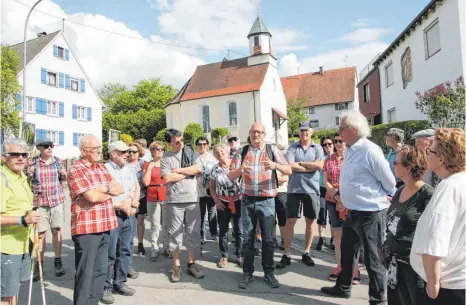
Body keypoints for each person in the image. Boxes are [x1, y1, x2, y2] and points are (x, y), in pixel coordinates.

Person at [321, 111, 396, 304]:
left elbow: (389, 182)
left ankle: (378, 300)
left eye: (341, 128)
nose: (338, 133)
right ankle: (343, 288)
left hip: (371, 214)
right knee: (347, 255)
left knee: (374, 261)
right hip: (352, 213)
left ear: (353, 130)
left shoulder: (370, 151)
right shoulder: (352, 149)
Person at [229, 122, 292, 289]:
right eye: (253, 132)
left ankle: (268, 273)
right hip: (247, 201)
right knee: (247, 240)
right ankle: (247, 273)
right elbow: (230, 175)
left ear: (264, 134)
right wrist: (240, 171)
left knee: (268, 240)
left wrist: (275, 165)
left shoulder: (272, 151)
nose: (256, 134)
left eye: (259, 132)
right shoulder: (242, 152)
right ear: (249, 133)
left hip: (267, 201)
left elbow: (289, 170)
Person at [411, 128, 466, 305]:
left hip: (448, 284)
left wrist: (432, 284)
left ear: (441, 158)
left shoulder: (448, 187)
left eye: (430, 150)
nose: (427, 154)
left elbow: (435, 240)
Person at [67, 135, 123, 305]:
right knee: (86, 273)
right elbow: (91, 196)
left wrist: (102, 189)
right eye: (95, 149)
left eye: (100, 147)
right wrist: (106, 191)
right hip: (87, 229)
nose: (99, 151)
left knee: (100, 271)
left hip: (105, 225)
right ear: (84, 151)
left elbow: (119, 188)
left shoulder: (101, 167)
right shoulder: (76, 170)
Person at [381, 146, 433, 305]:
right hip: (394, 264)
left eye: (395, 163)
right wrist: (384, 247)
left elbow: (435, 234)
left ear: (408, 167)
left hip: (415, 269)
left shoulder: (428, 195)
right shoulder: (400, 190)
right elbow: (392, 224)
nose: (392, 166)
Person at [277, 122, 324, 270]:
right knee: (290, 222)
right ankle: (287, 253)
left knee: (310, 222)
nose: (304, 132)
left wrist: (301, 164)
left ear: (311, 132)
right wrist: (309, 166)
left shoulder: (318, 148)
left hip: (311, 190)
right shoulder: (292, 147)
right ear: (299, 132)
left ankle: (306, 252)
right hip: (294, 190)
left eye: (307, 130)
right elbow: (290, 165)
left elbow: (319, 166)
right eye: (302, 130)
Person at [161, 129, 204, 283]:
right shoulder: (165, 158)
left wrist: (179, 170)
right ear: (169, 143)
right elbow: (167, 177)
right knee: (175, 234)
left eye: (181, 140)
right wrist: (188, 173)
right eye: (176, 141)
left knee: (192, 233)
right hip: (174, 200)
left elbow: (198, 169)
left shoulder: (190, 152)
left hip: (192, 199)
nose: (180, 143)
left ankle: (191, 264)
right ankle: (176, 266)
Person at [1, 138, 40, 305]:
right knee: (5, 294)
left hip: (23, 243)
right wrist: (23, 220)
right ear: (4, 157)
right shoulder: (3, 179)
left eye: (24, 154)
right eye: (15, 154)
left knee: (13, 289)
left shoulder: (22, 176)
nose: (21, 158)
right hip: (7, 246)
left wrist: (32, 220)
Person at [101, 141, 140, 304]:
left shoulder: (129, 169)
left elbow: (135, 187)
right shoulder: (104, 170)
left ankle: (120, 282)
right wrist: (122, 205)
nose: (127, 154)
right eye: (123, 151)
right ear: (113, 153)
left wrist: (134, 203)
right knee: (109, 253)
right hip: (112, 215)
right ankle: (106, 288)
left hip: (128, 215)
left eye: (129, 151)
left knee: (125, 250)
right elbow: (102, 194)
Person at [26, 138, 66, 281]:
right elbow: (27, 181)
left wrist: (63, 173)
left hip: (56, 201)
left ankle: (58, 261)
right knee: (40, 234)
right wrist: (29, 174)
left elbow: (63, 180)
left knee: (57, 230)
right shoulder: (32, 162)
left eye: (51, 146)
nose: (50, 148)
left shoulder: (58, 161)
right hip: (40, 202)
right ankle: (39, 264)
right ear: (40, 148)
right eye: (46, 146)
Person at [323, 134, 361, 284]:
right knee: (338, 235)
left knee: (352, 237)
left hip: (351, 202)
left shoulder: (353, 158)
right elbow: (325, 180)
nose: (339, 144)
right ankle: (340, 266)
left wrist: (344, 198)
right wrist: (337, 196)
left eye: (341, 141)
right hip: (333, 200)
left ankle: (354, 269)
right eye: (336, 141)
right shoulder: (329, 160)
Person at [209, 143, 243, 268]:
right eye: (217, 152)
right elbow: (212, 188)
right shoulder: (214, 169)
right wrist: (216, 201)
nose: (220, 153)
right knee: (223, 230)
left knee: (239, 230)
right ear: (215, 155)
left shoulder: (236, 164)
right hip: (222, 203)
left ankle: (240, 255)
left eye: (222, 151)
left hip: (238, 201)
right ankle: (224, 256)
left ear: (227, 151)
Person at [142, 141, 169, 261]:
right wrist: (149, 169)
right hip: (153, 196)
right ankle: (154, 247)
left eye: (162, 149)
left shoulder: (166, 164)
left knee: (167, 225)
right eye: (157, 149)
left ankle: (167, 247)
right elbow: (146, 182)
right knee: (155, 225)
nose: (160, 151)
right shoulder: (148, 164)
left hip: (166, 195)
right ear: (152, 151)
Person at [126, 142, 145, 279]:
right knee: (128, 229)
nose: (131, 154)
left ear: (139, 153)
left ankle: (140, 243)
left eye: (134, 151)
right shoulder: (123, 165)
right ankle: (126, 262)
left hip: (141, 197)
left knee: (140, 220)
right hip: (127, 200)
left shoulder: (143, 164)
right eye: (130, 151)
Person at [195, 137, 218, 243]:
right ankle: (201, 234)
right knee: (200, 213)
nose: (202, 146)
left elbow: (216, 171)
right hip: (198, 190)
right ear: (197, 145)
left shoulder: (213, 158)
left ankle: (213, 233)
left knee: (212, 212)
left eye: (204, 144)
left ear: (208, 145)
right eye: (200, 144)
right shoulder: (194, 158)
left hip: (210, 189)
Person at [316, 136, 334, 251]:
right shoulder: (322, 158)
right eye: (325, 144)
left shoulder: (338, 157)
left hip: (334, 189)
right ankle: (321, 238)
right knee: (322, 213)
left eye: (329, 144)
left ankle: (333, 238)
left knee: (333, 215)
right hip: (322, 188)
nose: (327, 146)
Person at [274, 144, 288, 251]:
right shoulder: (267, 162)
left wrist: (275, 180)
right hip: (268, 193)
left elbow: (286, 177)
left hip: (281, 192)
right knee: (269, 217)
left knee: (282, 217)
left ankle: (284, 239)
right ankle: (273, 239)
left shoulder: (282, 163)